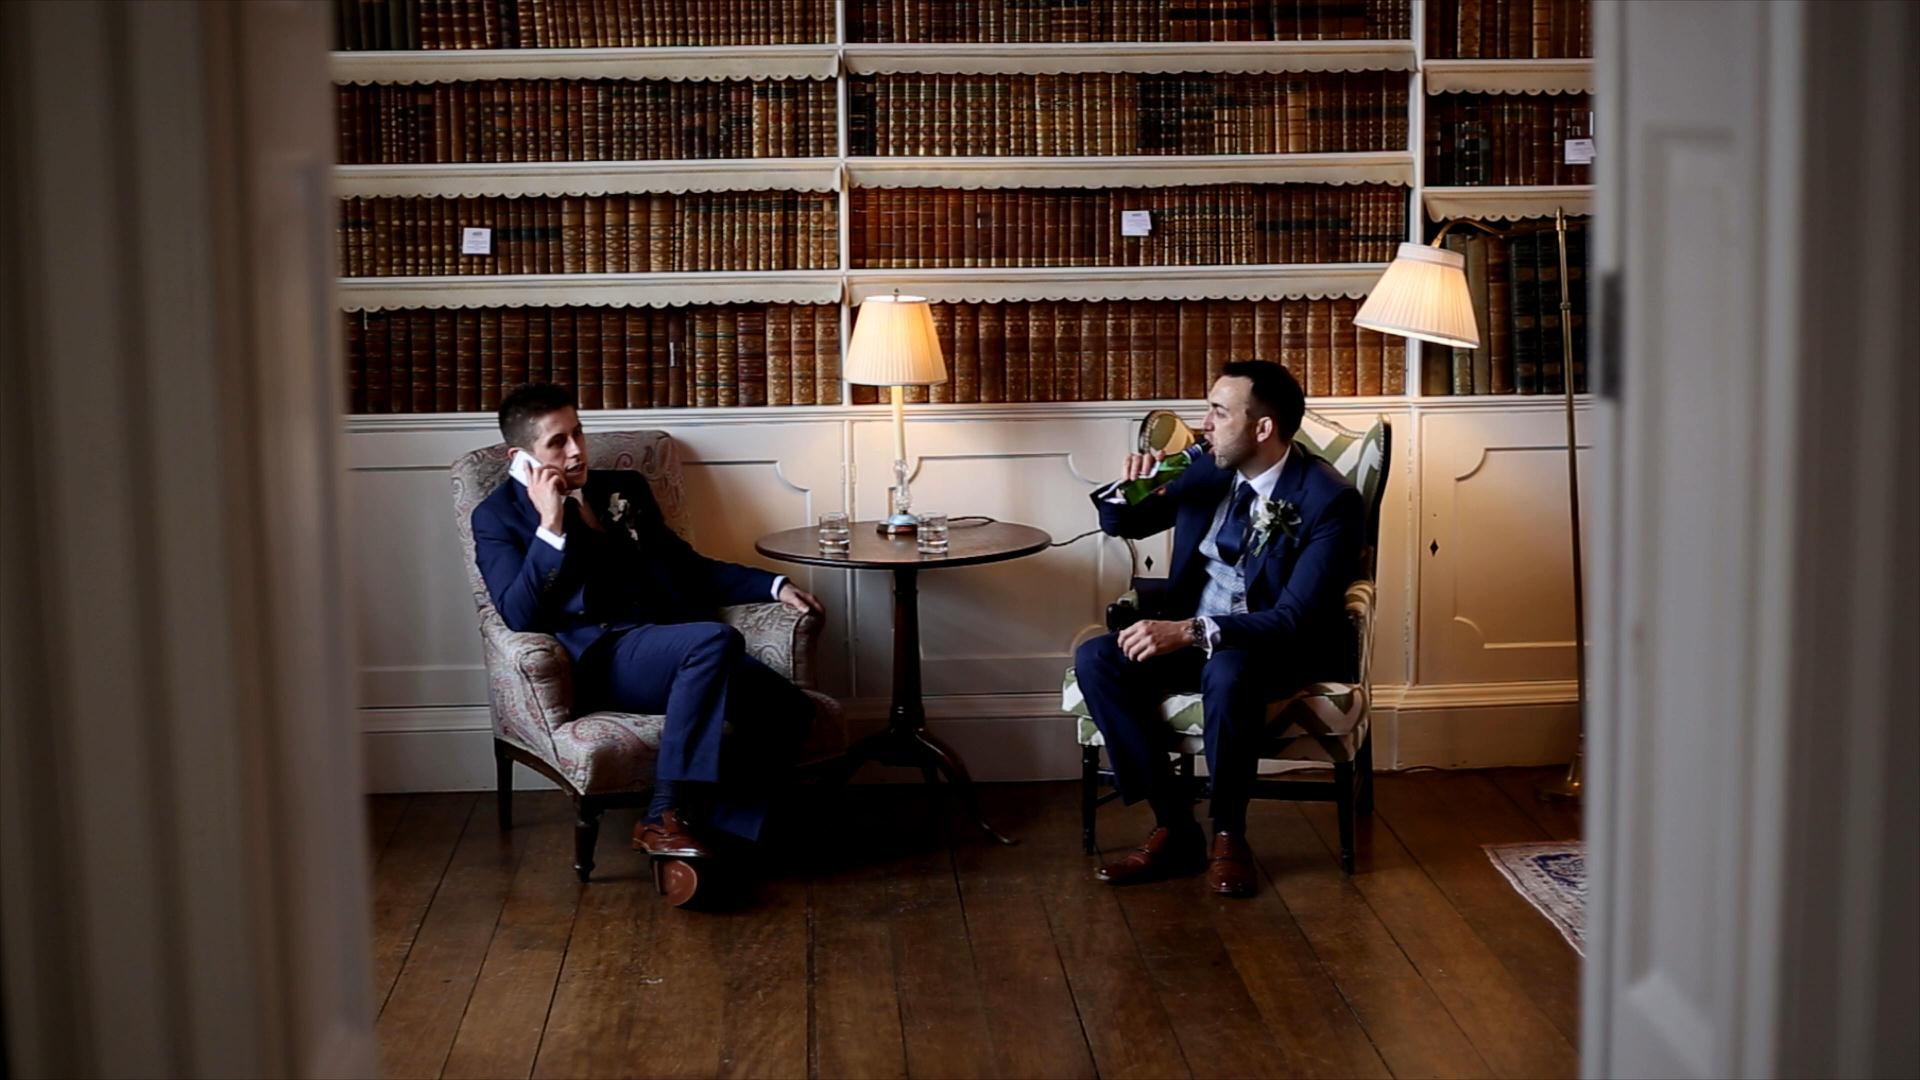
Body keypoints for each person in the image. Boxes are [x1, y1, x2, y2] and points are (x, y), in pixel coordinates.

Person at [470, 383, 823, 906]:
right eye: (557, 442)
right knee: (713, 642)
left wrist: (772, 585)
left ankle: (713, 846)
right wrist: (550, 526)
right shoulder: (497, 517)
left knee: (789, 710)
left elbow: (686, 569)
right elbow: (519, 613)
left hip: (669, 644)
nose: (575, 451)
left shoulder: (625, 489)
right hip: (601, 659)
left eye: (579, 432)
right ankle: (662, 813)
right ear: (519, 457)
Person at [1073, 361, 1362, 897]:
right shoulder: (1210, 468)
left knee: (1229, 670)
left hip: (1269, 645)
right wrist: (1130, 487)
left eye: (1218, 412)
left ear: (1263, 428)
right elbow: (1125, 523)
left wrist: (1189, 632)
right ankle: (1175, 826)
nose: (1204, 423)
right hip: (1189, 630)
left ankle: (1230, 833)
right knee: (1097, 658)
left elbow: (1295, 618)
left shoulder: (1329, 500)